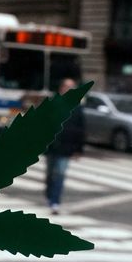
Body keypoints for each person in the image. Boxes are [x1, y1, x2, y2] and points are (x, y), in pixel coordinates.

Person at [44, 78, 86, 215]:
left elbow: (81, 129)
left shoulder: (77, 108)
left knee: (60, 174)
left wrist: (79, 150)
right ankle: (49, 194)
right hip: (52, 146)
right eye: (66, 87)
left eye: (72, 87)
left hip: (66, 148)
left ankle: (55, 202)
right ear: (61, 88)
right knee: (50, 174)